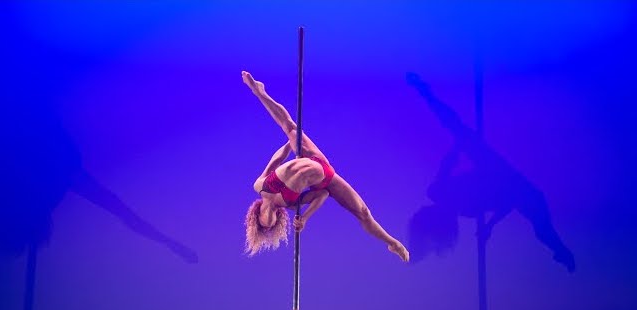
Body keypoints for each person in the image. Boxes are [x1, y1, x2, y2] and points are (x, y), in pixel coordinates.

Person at [406, 73, 575, 272]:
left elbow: (448, 164)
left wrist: (458, 147)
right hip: (507, 183)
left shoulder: (442, 193)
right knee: (542, 229)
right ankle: (562, 251)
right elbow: (510, 198)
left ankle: (425, 92)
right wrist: (490, 225)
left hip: (496, 173)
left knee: (456, 128)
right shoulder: (464, 206)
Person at [242, 71, 409, 262]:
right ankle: (393, 243)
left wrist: (289, 144)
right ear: (279, 217)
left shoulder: (260, 187)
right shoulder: (290, 204)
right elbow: (322, 194)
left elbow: (275, 161)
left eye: (265, 217)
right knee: (362, 212)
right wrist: (305, 218)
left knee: (289, 126)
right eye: (273, 220)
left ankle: (259, 92)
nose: (270, 216)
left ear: (257, 214)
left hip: (312, 158)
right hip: (323, 175)